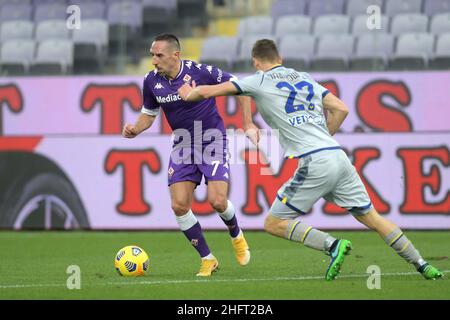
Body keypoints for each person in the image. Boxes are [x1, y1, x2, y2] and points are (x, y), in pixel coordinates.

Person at [177, 39, 443, 281]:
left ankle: (333, 245)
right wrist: (324, 136)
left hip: (314, 162)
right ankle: (422, 264)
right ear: (279, 57)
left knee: (273, 223)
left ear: (256, 62)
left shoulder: (258, 80)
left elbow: (212, 91)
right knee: (372, 217)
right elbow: (341, 108)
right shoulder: (304, 78)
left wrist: (191, 92)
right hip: (338, 156)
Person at [122, 34, 257, 277]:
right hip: (183, 144)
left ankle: (236, 234)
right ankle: (208, 259)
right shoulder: (151, 81)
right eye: (152, 55)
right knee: (179, 205)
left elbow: (242, 87)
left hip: (212, 140)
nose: (153, 60)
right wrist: (136, 128)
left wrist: (247, 123)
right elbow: (149, 113)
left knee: (217, 201)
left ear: (176, 55)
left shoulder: (200, 72)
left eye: (158, 55)